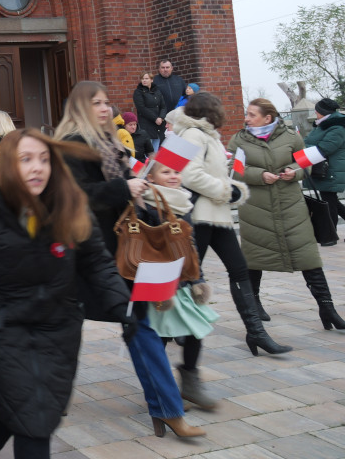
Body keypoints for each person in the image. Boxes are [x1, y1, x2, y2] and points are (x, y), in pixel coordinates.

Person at [0, 128, 136, 458]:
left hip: (59, 331)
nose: (37, 167)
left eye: (44, 159)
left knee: (11, 410)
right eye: (26, 160)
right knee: (33, 420)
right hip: (1, 332)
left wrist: (123, 307)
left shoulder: (70, 205)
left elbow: (97, 263)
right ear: (8, 165)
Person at [57, 81, 205, 439]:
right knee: (67, 332)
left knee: (140, 326)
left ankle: (167, 409)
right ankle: (51, 393)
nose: (105, 108)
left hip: (122, 251)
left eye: (107, 102)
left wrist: (141, 182)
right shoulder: (73, 147)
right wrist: (124, 188)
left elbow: (122, 188)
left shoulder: (109, 144)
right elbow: (74, 197)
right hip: (89, 254)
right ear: (80, 107)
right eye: (96, 103)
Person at [166, 95, 290, 355]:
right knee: (185, 276)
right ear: (210, 111)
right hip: (198, 216)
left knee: (238, 269)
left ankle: (255, 333)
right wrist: (226, 191)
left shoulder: (206, 135)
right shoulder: (192, 134)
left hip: (216, 214)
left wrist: (230, 189)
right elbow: (190, 175)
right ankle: (170, 331)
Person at [228, 98, 345, 331]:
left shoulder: (291, 136)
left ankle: (327, 308)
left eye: (252, 114)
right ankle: (256, 303)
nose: (246, 118)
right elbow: (235, 170)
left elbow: (306, 163)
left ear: (267, 117)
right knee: (254, 259)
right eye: (247, 114)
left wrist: (295, 171)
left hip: (291, 206)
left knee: (308, 257)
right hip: (255, 209)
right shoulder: (238, 140)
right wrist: (259, 175)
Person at [142, 161, 220, 410]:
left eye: (176, 171)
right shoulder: (144, 204)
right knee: (160, 336)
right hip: (158, 280)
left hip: (184, 280)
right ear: (151, 177)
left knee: (195, 330)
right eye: (166, 172)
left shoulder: (183, 203)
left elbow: (191, 244)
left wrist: (198, 278)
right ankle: (160, 388)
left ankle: (190, 381)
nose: (173, 176)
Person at [304, 98, 345, 237]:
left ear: (323, 112)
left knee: (330, 202)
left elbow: (325, 148)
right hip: (323, 169)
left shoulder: (337, 127)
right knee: (331, 201)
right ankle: (330, 232)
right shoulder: (323, 125)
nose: (315, 112)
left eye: (317, 110)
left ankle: (330, 233)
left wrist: (301, 151)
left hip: (331, 170)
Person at [133, 71, 167, 153]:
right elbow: (141, 108)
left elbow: (163, 106)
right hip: (146, 124)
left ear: (151, 80)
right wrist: (155, 118)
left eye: (146, 78)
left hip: (158, 125)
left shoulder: (157, 91)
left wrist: (161, 117)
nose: (144, 80)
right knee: (149, 151)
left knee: (156, 150)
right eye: (142, 79)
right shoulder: (138, 92)